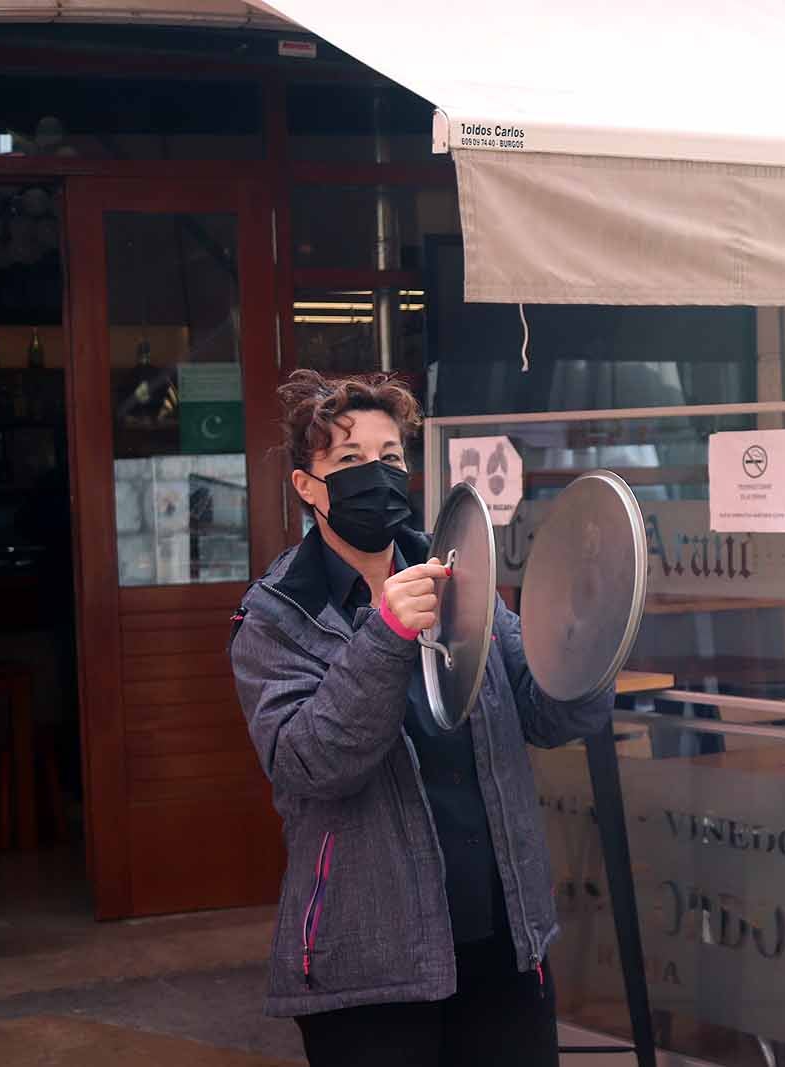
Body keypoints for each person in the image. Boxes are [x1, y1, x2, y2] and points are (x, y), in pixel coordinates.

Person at [229, 370, 613, 1067]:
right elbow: (310, 761)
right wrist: (385, 635)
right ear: (306, 486)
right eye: (349, 461)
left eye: (389, 457)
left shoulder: (461, 581)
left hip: (501, 939)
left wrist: (587, 639)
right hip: (368, 965)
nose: (375, 475)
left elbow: (544, 711)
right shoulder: (277, 617)